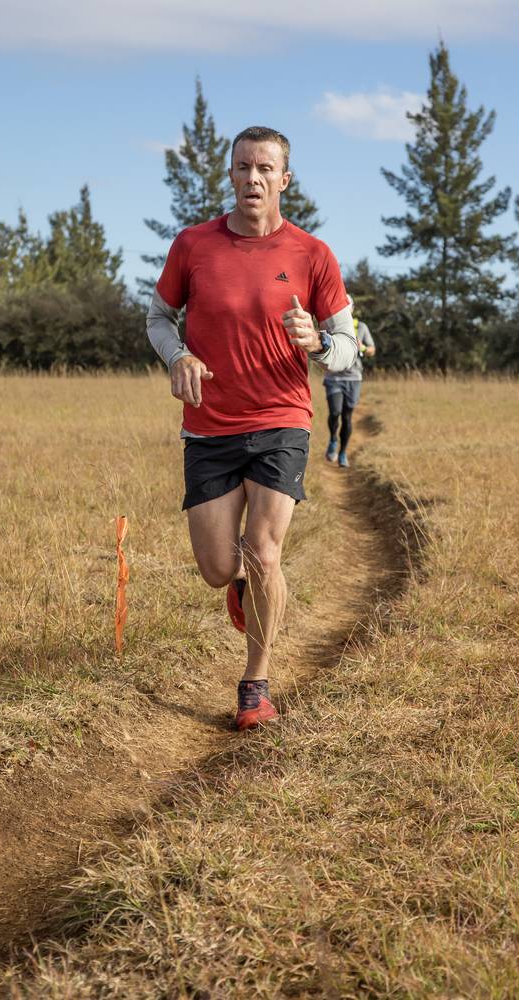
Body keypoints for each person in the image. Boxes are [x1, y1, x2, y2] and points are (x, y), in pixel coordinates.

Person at [146, 126, 357, 731]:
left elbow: (347, 344)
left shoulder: (313, 254)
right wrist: (178, 355)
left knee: (264, 551)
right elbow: (159, 318)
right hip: (209, 425)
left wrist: (319, 343)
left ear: (284, 179)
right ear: (231, 175)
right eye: (243, 167)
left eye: (265, 168)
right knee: (219, 567)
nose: (253, 178)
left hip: (280, 421)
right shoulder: (193, 245)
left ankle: (255, 684)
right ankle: (240, 585)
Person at [324, 305, 375, 467]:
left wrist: (362, 347)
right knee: (335, 412)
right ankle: (333, 439)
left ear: (352, 309)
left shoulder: (361, 327)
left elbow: (372, 350)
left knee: (347, 417)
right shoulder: (329, 324)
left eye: (347, 306)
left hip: (353, 378)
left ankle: (343, 453)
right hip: (333, 377)